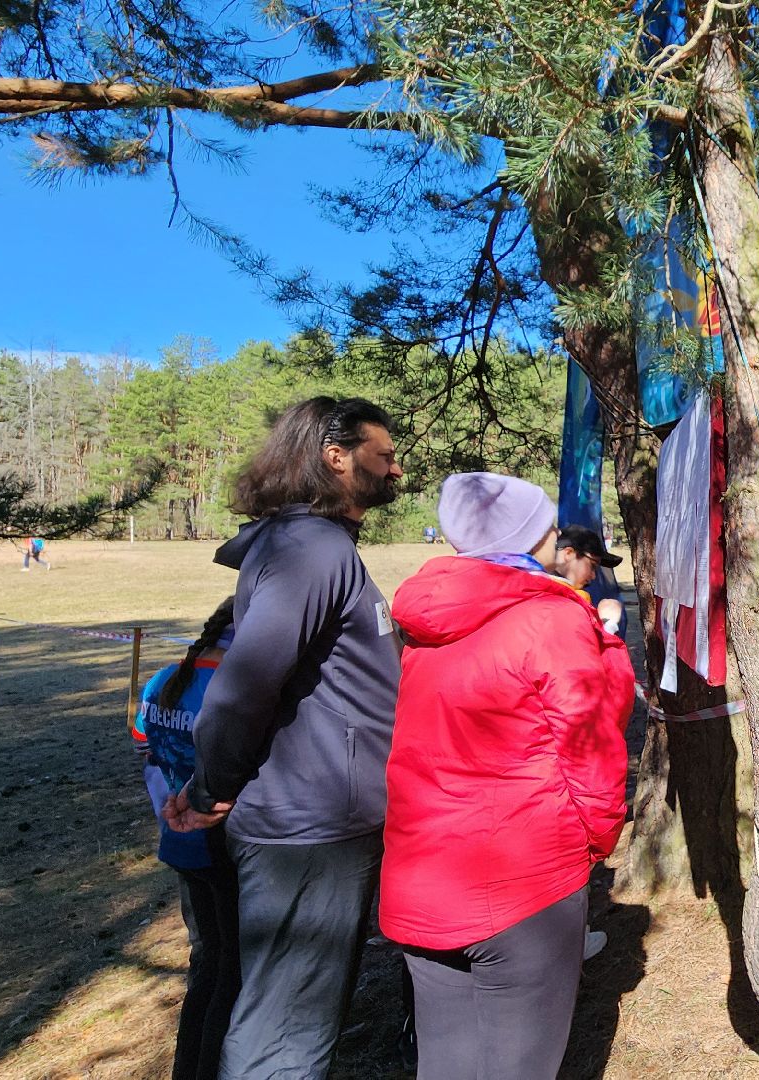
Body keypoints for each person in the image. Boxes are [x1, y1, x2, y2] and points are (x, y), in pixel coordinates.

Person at [162, 396, 404, 1080]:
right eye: (384, 457)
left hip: (319, 822)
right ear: (336, 456)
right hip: (309, 832)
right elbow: (243, 687)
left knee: (283, 1014)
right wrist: (212, 788)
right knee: (286, 1034)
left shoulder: (316, 546)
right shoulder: (310, 549)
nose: (397, 470)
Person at [379, 473, 634, 1080]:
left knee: (444, 1063)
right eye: (545, 525)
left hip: (422, 876)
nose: (554, 535)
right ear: (526, 536)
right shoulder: (549, 618)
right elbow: (594, 739)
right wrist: (598, 840)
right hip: (523, 883)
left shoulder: (424, 620)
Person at [134, 599, 240, 1080]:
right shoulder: (233, 688)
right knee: (231, 971)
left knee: (206, 963)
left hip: (177, 842)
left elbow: (143, 748)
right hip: (221, 846)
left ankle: (187, 1068)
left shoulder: (162, 680)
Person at [552, 524, 627, 638]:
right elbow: (581, 651)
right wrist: (607, 625)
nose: (593, 576)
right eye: (592, 565)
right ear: (568, 554)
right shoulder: (554, 602)